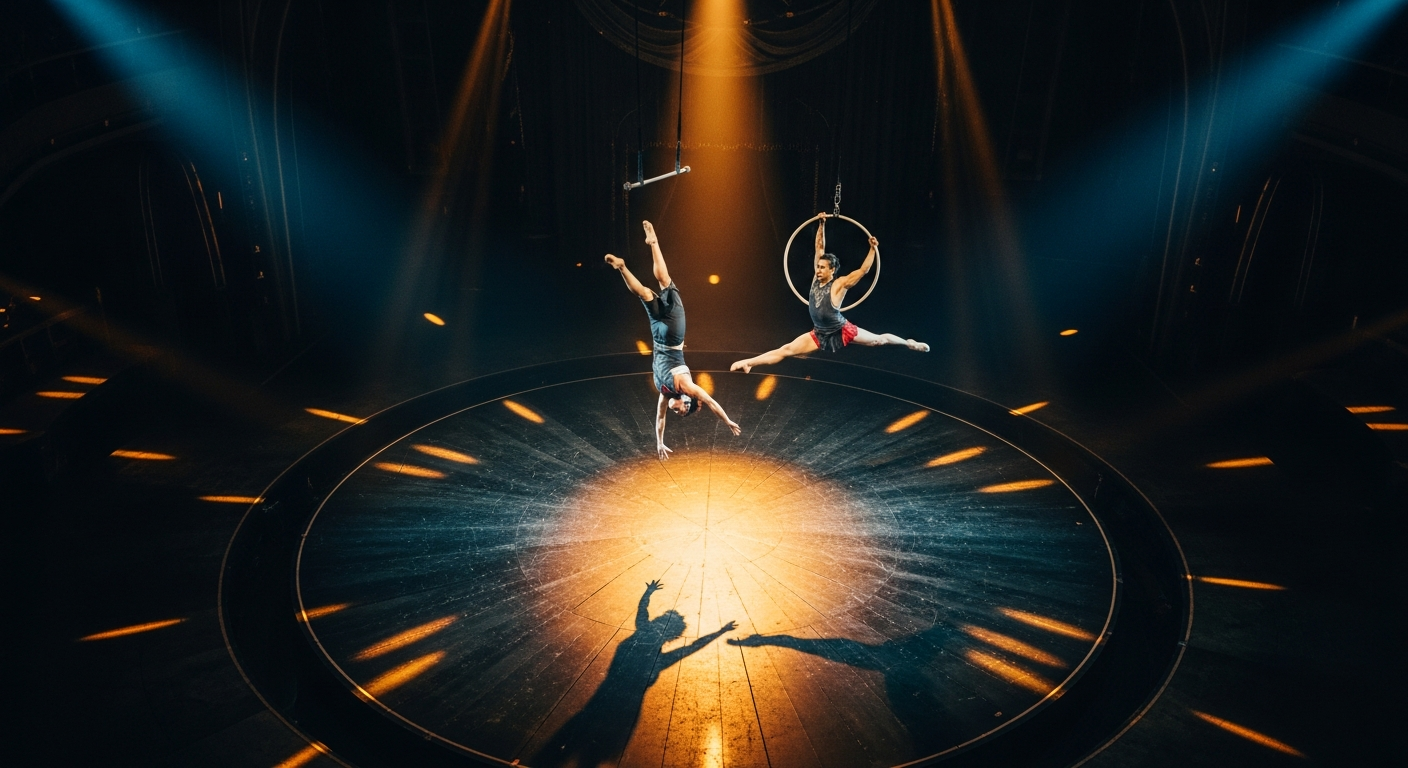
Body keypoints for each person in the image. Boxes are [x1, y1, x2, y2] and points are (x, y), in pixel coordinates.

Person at [606, 220, 741, 460]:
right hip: (672, 334)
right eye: (681, 412)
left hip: (660, 337)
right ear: (686, 403)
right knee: (664, 283)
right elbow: (709, 401)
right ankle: (651, 243)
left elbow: (660, 418)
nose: (676, 413)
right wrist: (728, 420)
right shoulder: (684, 387)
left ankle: (623, 266)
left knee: (647, 293)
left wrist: (659, 442)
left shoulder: (665, 392)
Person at [730, 213, 929, 373]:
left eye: (823, 267)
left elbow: (863, 271)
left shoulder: (839, 285)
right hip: (819, 332)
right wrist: (821, 224)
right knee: (786, 350)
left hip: (840, 329)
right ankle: (750, 363)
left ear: (832, 270)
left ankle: (909, 343)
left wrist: (872, 249)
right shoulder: (817, 278)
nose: (818, 270)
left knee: (879, 340)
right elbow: (819, 247)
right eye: (818, 266)